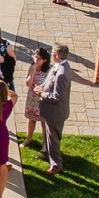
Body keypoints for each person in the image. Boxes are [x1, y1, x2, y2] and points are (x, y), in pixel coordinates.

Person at [34, 44, 73, 174]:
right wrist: (42, 87)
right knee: (49, 137)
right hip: (49, 110)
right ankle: (48, 155)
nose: (51, 55)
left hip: (55, 113)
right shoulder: (58, 66)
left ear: (56, 56)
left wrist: (41, 94)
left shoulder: (62, 73)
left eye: (52, 53)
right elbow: (49, 81)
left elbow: (58, 96)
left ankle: (56, 164)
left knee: (53, 139)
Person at [21, 46, 49, 148]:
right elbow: (28, 84)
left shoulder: (48, 71)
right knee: (31, 120)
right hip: (32, 98)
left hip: (42, 100)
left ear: (45, 60)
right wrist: (32, 71)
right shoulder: (31, 67)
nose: (36, 60)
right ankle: (29, 139)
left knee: (43, 122)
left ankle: (45, 143)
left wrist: (41, 89)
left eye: (39, 58)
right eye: (35, 57)